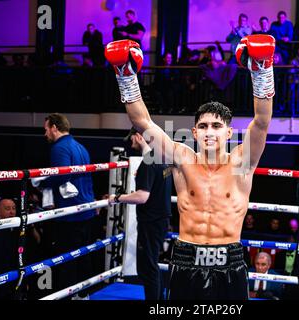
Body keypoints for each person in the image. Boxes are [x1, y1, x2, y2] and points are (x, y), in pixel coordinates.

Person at [105, 33, 275, 300]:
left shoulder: (242, 162)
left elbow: (262, 121)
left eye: (217, 126)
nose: (210, 132)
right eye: (204, 126)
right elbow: (142, 122)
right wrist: (125, 74)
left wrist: (263, 69)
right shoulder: (181, 158)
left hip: (229, 260)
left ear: (229, 133)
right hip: (186, 259)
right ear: (195, 133)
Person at [38, 113, 97, 300]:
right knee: (83, 256)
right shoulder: (80, 147)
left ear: (55, 127)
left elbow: (62, 175)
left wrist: (41, 182)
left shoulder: (59, 148)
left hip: (71, 213)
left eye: (46, 128)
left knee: (67, 260)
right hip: (86, 210)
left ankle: (70, 296)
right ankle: (84, 294)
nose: (45, 133)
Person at [110, 128, 172, 300]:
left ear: (139, 137)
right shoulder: (162, 159)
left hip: (151, 221)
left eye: (132, 138)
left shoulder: (148, 162)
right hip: (160, 219)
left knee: (147, 267)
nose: (130, 143)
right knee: (151, 265)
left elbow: (142, 196)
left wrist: (117, 198)